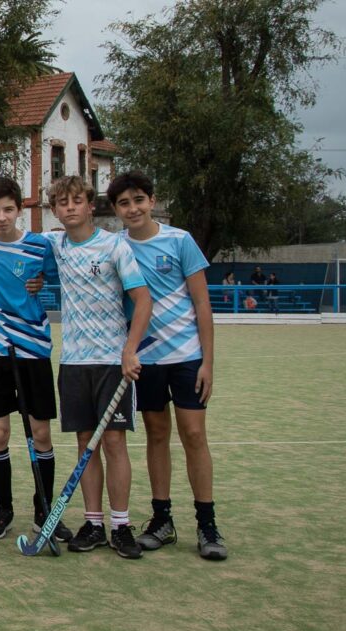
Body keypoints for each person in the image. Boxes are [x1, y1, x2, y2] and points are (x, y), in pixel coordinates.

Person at [109, 170, 226, 560]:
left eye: (139, 200)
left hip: (187, 358)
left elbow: (202, 304)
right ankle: (162, 520)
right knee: (157, 435)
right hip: (147, 361)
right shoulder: (116, 248)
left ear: (152, 201)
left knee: (193, 434)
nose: (133, 208)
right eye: (124, 203)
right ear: (116, 209)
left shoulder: (180, 241)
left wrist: (208, 362)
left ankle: (207, 525)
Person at [34, 175, 152, 559]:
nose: (69, 207)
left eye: (76, 200)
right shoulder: (56, 245)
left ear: (89, 205)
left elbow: (142, 300)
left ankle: (121, 525)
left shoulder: (115, 246)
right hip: (73, 362)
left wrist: (130, 350)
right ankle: (94, 522)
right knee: (85, 444)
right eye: (61, 203)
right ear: (55, 210)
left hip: (111, 362)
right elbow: (9, 239)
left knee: (114, 442)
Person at [0, 178, 73, 544]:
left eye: (8, 209)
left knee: (40, 433)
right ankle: (3, 508)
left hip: (34, 350)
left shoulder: (39, 246)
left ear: (20, 209)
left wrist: (44, 281)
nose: (1, 217)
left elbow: (59, 276)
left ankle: (45, 510)